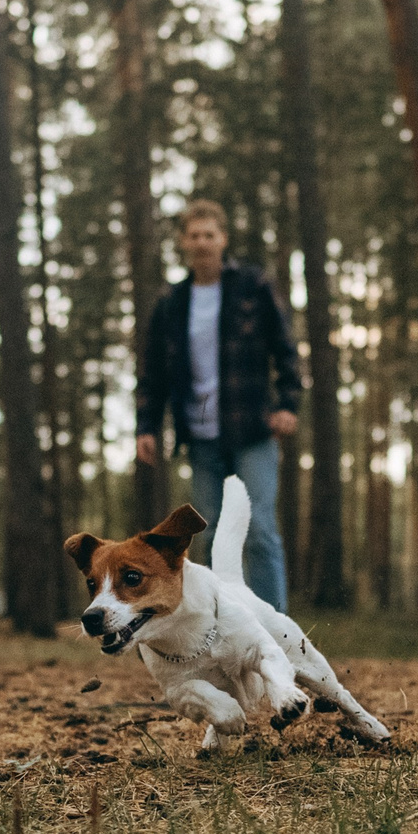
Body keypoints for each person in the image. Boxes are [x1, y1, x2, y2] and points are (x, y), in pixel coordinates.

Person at [134, 199, 304, 610]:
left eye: (209, 235)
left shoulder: (253, 286)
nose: (202, 243)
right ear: (183, 243)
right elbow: (153, 372)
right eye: (194, 236)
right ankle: (225, 627)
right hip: (201, 435)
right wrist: (147, 426)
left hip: (252, 428)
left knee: (259, 529)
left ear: (223, 239)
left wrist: (289, 404)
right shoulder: (171, 302)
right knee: (209, 536)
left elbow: (285, 349)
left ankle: (277, 635)